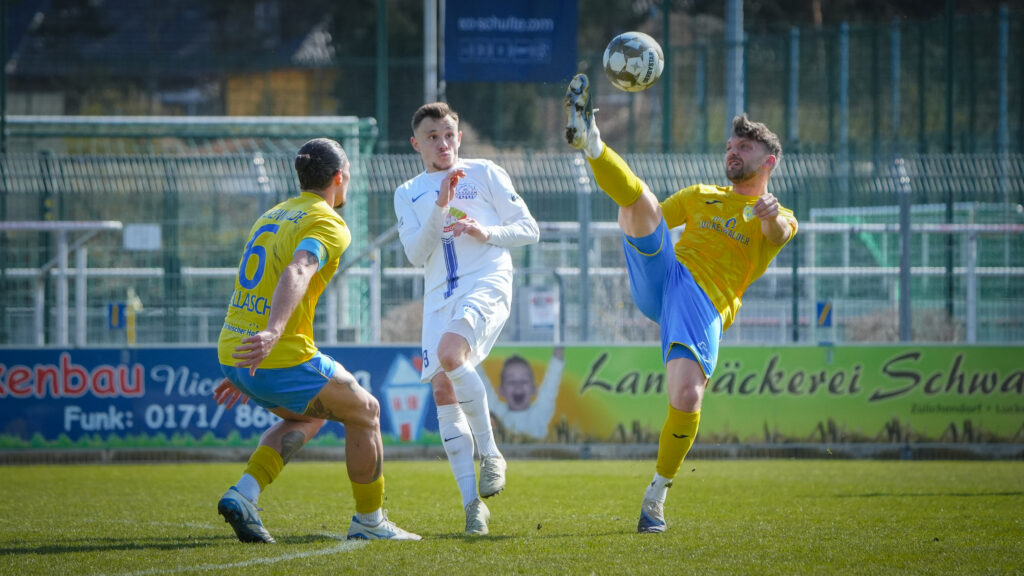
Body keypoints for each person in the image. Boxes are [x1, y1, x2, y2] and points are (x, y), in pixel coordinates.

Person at [564, 74, 798, 534]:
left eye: (745, 148)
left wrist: (771, 218)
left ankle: (656, 495)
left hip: (703, 304)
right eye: (731, 145)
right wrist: (636, 226)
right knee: (640, 201)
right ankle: (592, 142)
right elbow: (637, 213)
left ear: (768, 161)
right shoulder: (699, 196)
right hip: (664, 275)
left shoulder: (777, 214)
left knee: (687, 398)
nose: (733, 151)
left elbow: (779, 235)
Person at [214, 137, 420, 543]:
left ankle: (245, 493)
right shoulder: (327, 221)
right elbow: (298, 270)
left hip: (235, 352)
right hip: (274, 353)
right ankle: (370, 523)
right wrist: (272, 335)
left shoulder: (273, 214)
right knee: (366, 411)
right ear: (339, 178)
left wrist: (242, 366)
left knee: (310, 416)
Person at [394, 102, 540, 535]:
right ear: (416, 143)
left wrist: (486, 232)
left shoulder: (486, 173)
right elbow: (416, 254)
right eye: (433, 136)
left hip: (487, 281)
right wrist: (441, 204)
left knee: (450, 355)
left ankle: (492, 454)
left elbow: (529, 229)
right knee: (442, 389)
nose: (443, 143)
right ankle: (472, 505)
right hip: (440, 296)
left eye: (449, 134)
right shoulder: (409, 192)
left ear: (459, 136)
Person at [483, 348, 565, 440]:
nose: (518, 386)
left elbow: (552, 381)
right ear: (501, 390)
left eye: (524, 381)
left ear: (534, 389)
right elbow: (482, 385)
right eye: (512, 382)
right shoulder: (498, 412)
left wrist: (559, 349)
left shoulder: (539, 413)